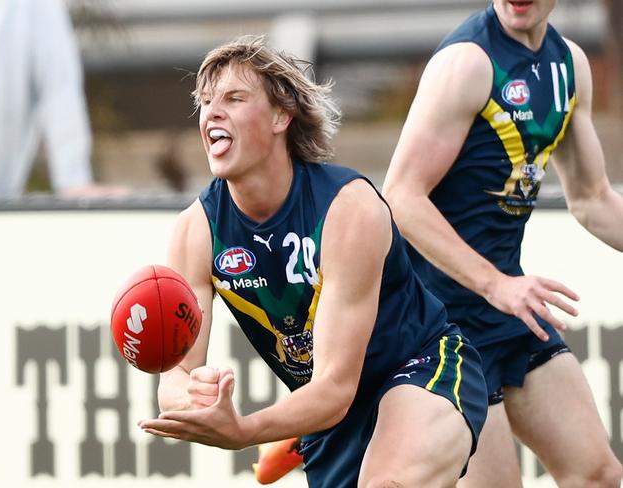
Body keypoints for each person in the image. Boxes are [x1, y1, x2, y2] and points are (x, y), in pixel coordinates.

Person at [137, 35, 488, 487]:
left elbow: (336, 388)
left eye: (234, 98)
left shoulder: (347, 208)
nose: (212, 112)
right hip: (328, 417)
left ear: (282, 115)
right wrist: (196, 399)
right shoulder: (197, 231)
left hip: (420, 367)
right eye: (206, 102)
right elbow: (176, 375)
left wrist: (244, 430)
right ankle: (292, 437)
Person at [382, 1, 623, 486]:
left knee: (598, 474)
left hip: (510, 312)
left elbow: (592, 199)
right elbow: (401, 197)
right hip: (441, 325)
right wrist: (495, 285)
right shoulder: (467, 62)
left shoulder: (569, 65)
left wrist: (501, 290)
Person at [0, 0, 121, 199]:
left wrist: (74, 179)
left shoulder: (32, 7)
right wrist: (74, 179)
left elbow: (59, 90)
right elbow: (60, 88)